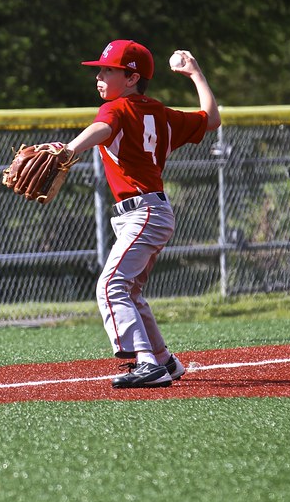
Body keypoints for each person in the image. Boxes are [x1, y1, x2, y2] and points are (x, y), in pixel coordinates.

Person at [62, 39, 221, 388]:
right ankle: (164, 360)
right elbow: (211, 119)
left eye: (108, 71)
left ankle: (148, 364)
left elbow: (103, 129)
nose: (99, 77)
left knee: (111, 285)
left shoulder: (116, 108)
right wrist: (195, 74)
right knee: (130, 291)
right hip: (151, 212)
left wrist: (69, 149)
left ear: (132, 78)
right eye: (100, 71)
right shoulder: (159, 112)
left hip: (143, 212)